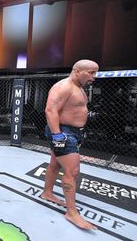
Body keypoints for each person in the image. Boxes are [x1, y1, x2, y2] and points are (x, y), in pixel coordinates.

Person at [41, 59, 99, 230]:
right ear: (77, 71)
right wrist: (57, 135)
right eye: (91, 72)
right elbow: (50, 110)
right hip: (63, 132)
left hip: (73, 132)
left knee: (54, 164)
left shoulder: (79, 88)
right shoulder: (63, 86)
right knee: (72, 171)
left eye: (95, 73)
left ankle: (47, 192)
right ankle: (72, 213)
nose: (94, 77)